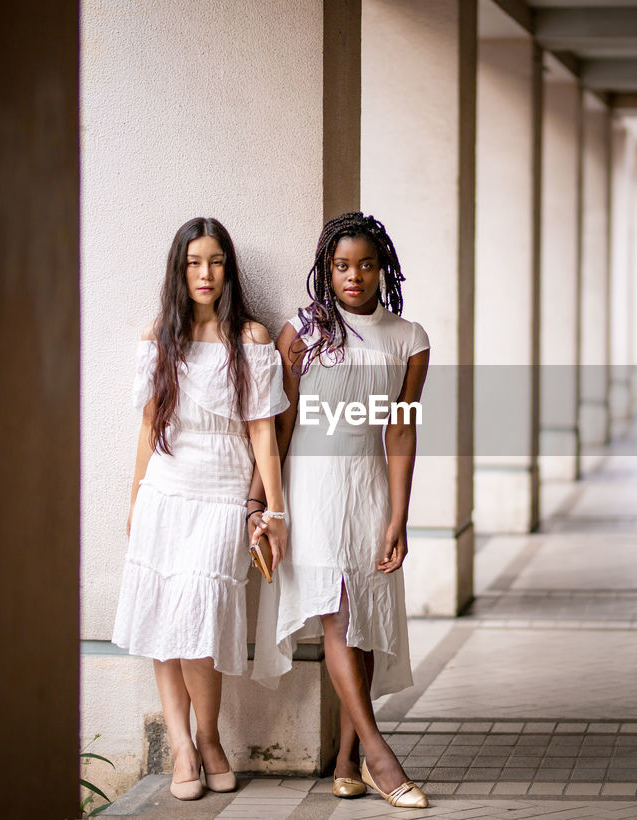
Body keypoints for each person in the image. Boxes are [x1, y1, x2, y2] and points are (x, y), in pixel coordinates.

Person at [250, 212, 430, 809]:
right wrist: (263, 503)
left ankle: (348, 759)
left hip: (371, 487)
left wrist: (399, 516)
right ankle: (381, 755)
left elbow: (401, 434)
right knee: (337, 611)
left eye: (367, 264)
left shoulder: (409, 339)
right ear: (327, 269)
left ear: (385, 269)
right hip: (314, 489)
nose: (355, 276)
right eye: (342, 265)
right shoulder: (301, 332)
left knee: (368, 621)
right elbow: (278, 427)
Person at [112, 217, 289, 801]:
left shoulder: (251, 340)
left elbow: (263, 434)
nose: (204, 273)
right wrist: (137, 497)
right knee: (166, 618)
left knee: (200, 624)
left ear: (228, 268)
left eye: (214, 261)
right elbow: (147, 425)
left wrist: (275, 511)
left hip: (222, 497)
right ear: (178, 269)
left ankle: (209, 736)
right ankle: (184, 745)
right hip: (165, 491)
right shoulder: (157, 338)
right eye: (193, 262)